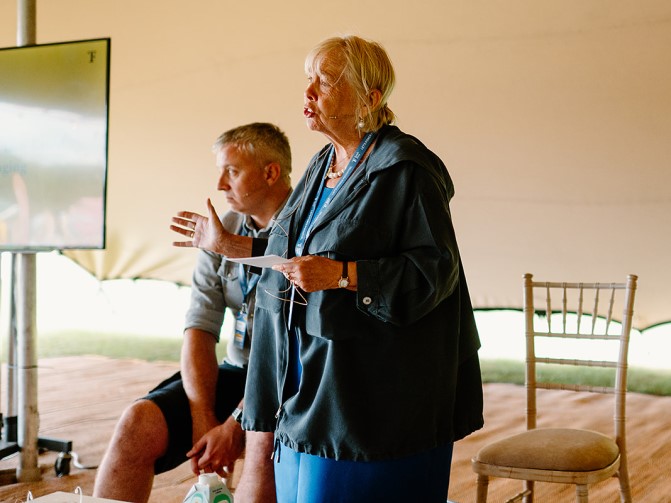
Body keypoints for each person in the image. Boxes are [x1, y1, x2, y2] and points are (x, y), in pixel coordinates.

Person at [172, 35, 484, 503]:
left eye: (324, 81)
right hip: (307, 386)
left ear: (369, 98)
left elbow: (434, 272)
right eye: (308, 80)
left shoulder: (407, 168)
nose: (308, 93)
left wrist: (343, 275)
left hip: (375, 402)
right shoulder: (323, 166)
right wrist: (228, 245)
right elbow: (290, 251)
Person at [93, 122, 292, 503]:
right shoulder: (222, 229)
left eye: (232, 171)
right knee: (136, 426)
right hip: (241, 371)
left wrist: (234, 425)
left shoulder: (310, 228)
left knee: (259, 451)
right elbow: (200, 327)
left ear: (270, 173)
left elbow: (289, 352)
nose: (219, 184)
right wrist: (203, 417)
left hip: (294, 377)